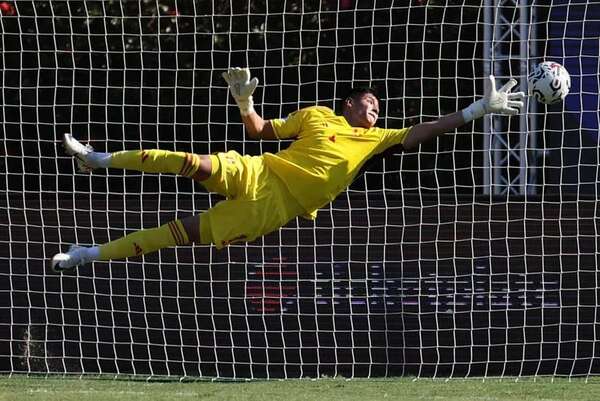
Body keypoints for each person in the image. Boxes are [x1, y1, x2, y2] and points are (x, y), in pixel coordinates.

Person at [50, 68, 524, 272]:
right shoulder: (315, 115)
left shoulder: (377, 139)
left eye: (378, 104)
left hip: (275, 209)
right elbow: (259, 131)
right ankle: (97, 159)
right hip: (261, 171)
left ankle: (88, 254)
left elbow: (421, 129)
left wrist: (475, 110)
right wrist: (244, 100)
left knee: (177, 233)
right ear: (348, 103)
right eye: (368, 100)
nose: (376, 106)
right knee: (188, 162)